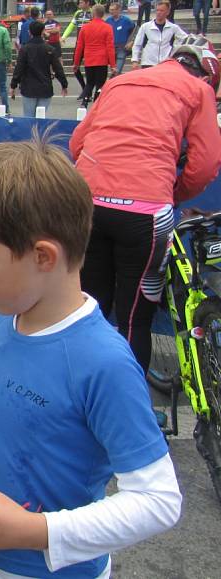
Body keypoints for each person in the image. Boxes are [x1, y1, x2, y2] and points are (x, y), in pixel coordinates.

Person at [0, 133, 181, 579]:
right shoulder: (8, 316)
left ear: (43, 256)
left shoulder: (104, 363)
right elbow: (26, 409)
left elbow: (159, 501)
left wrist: (35, 530)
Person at [72, 35, 221, 372]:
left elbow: (78, 141)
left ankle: (78, 391)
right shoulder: (199, 90)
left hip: (86, 203)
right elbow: (207, 163)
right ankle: (128, 405)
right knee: (134, 318)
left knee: (87, 306)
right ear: (207, 74)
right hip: (145, 211)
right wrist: (174, 192)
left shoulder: (120, 81)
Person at [11, 21, 68, 117]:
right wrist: (64, 84)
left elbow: (19, 68)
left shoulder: (24, 49)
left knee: (29, 117)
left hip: (28, 87)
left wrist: (13, 85)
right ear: (43, 31)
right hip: (45, 87)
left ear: (29, 32)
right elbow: (58, 69)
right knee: (41, 116)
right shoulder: (49, 49)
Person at [74, 4, 116, 106]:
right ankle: (96, 103)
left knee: (89, 83)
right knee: (100, 85)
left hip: (89, 59)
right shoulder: (108, 27)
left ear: (93, 14)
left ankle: (85, 101)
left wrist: (76, 63)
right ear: (103, 14)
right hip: (102, 60)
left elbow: (79, 47)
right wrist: (113, 65)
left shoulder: (85, 28)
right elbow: (110, 47)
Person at [131, 2, 187, 69]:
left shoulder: (173, 28)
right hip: (148, 63)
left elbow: (185, 38)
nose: (159, 12)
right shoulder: (145, 27)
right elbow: (137, 44)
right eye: (157, 10)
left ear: (168, 12)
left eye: (162, 10)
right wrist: (135, 60)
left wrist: (175, 49)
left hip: (166, 64)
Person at [62, 0, 94, 101]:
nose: (79, 4)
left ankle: (88, 92)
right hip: (79, 44)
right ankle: (84, 89)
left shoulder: (93, 13)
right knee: (75, 67)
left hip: (90, 44)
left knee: (90, 69)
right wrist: (64, 36)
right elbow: (71, 26)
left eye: (81, 2)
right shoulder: (78, 13)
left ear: (87, 3)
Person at [106, 3, 136, 74]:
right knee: (114, 70)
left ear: (118, 10)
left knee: (117, 70)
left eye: (113, 10)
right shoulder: (108, 21)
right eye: (110, 10)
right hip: (111, 48)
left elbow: (135, 31)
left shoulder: (126, 20)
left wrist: (131, 41)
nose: (111, 11)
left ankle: (111, 82)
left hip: (122, 48)